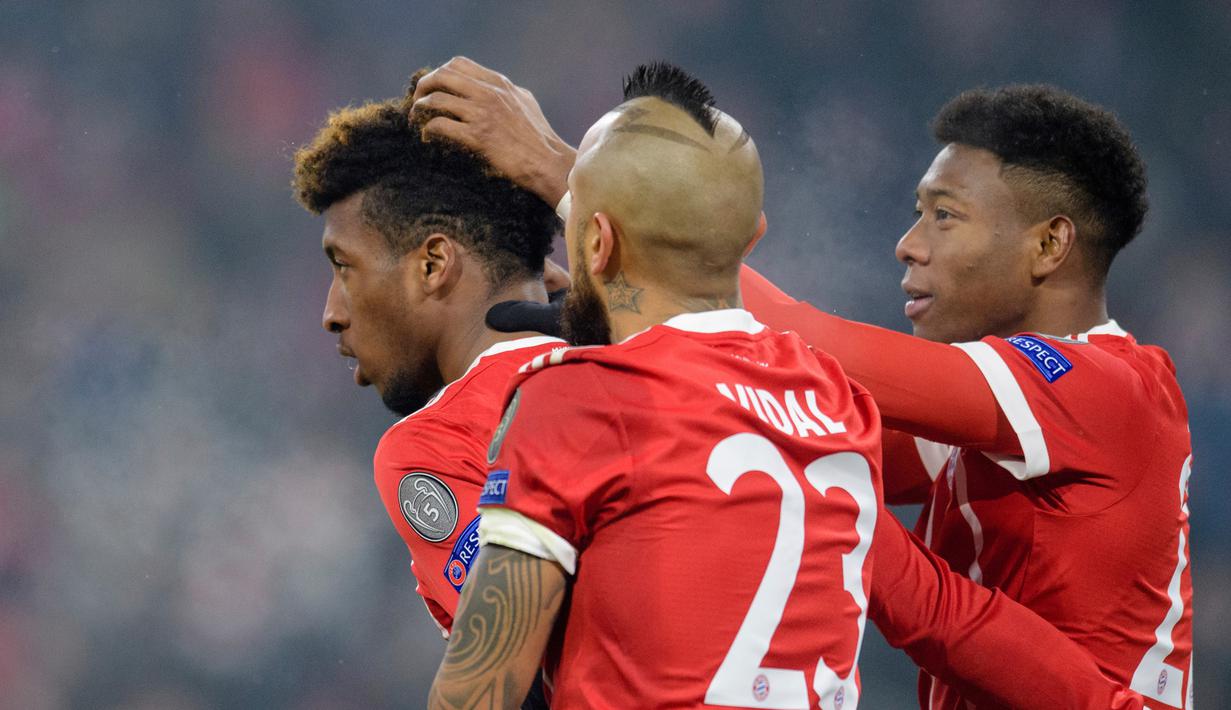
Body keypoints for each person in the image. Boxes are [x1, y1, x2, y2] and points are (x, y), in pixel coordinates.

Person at [416, 59, 1191, 709]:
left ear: (1049, 245)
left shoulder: (1108, 388)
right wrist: (627, 325)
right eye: (916, 213)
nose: (907, 245)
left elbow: (816, 349)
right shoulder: (988, 428)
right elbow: (786, 442)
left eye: (944, 217)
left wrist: (589, 199)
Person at [291, 71, 566, 709]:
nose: (331, 313)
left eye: (344, 267)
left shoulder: (437, 441)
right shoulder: (647, 357)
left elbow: (510, 686)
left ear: (433, 264)